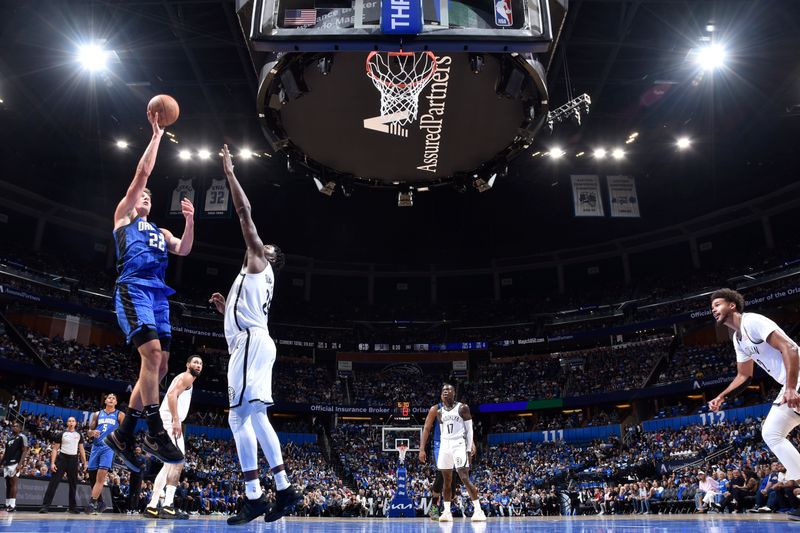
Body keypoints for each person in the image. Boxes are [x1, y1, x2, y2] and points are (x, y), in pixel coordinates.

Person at [208, 144, 300, 525]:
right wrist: (224, 309)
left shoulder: (260, 262)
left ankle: (255, 495)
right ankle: (282, 490)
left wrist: (229, 173)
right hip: (252, 341)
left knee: (237, 419)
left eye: (266, 246)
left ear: (269, 256)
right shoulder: (252, 277)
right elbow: (244, 312)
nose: (259, 245)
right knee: (256, 417)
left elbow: (245, 213)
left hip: (250, 344)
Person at [105, 110, 195, 470]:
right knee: (153, 354)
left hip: (159, 296)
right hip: (133, 289)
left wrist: (190, 222)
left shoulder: (162, 232)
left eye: (148, 198)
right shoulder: (124, 218)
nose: (145, 198)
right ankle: (154, 429)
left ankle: (124, 433)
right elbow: (142, 174)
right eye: (142, 196)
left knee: (160, 367)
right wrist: (157, 136)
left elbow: (184, 250)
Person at [708, 288, 800, 520]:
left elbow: (790, 348)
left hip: (796, 379)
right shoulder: (737, 338)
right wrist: (722, 395)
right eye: (712, 307)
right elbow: (744, 376)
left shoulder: (753, 321)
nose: (713, 309)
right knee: (771, 432)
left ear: (732, 305)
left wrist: (790, 387)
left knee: (773, 432)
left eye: (717, 304)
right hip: (790, 384)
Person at [145, 355, 203, 520]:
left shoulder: (185, 378)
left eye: (200, 363)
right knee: (178, 462)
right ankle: (168, 505)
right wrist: (176, 420)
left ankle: (152, 505)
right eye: (195, 362)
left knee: (168, 466)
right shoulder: (187, 377)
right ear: (188, 364)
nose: (198, 365)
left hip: (166, 421)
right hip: (170, 422)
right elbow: (171, 396)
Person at [418, 383, 486, 522]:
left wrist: (470, 443)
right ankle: (435, 509)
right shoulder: (435, 410)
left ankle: (466, 507)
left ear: (454, 393)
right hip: (440, 444)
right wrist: (421, 448)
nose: (445, 393)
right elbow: (426, 428)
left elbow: (467, 429)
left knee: (458, 477)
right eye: (443, 391)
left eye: (448, 390)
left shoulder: (461, 408)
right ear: (440, 395)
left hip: (457, 443)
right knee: (441, 476)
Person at [86, 393, 124, 514]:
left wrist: (120, 449)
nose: (111, 399)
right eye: (109, 398)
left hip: (108, 448)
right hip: (96, 447)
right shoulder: (97, 414)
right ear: (105, 401)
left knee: (100, 477)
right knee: (92, 476)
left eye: (114, 398)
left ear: (116, 402)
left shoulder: (120, 415)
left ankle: (92, 503)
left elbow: (125, 432)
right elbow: (89, 431)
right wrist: (92, 433)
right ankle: (101, 502)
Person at [39, 416, 86, 514]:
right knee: (53, 483)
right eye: (69, 421)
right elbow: (55, 449)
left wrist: (85, 462)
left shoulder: (79, 434)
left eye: (73, 421)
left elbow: (81, 450)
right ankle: (45, 506)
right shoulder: (62, 434)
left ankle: (72, 508)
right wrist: (52, 463)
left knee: (73, 484)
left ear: (76, 423)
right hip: (62, 459)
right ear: (67, 423)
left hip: (73, 460)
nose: (71, 422)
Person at [0, 421, 29, 512]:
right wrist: (1, 463)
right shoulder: (9, 438)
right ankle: (7, 504)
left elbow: (25, 451)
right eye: (13, 426)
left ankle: (12, 505)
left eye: (16, 426)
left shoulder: (22, 437)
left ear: (20, 428)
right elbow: (6, 453)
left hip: (15, 463)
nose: (14, 427)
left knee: (13, 483)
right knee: (8, 484)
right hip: (7, 463)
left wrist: (20, 464)